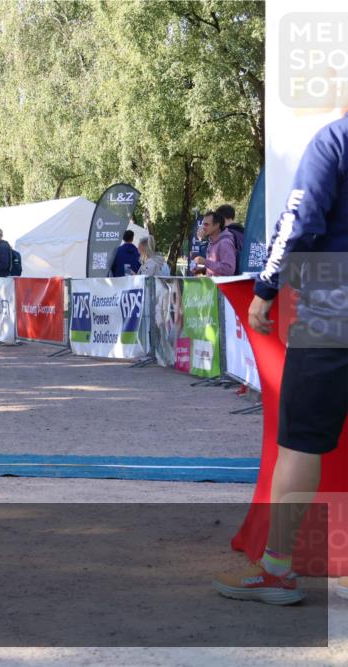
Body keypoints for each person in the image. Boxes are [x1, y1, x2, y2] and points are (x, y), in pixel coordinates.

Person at [213, 113, 348, 605]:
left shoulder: (335, 139)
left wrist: (266, 290)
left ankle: (277, 571)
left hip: (334, 313)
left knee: (298, 444)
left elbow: (298, 220)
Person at [193, 210, 237, 277]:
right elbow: (216, 267)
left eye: (206, 224)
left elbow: (228, 269)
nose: (203, 227)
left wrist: (205, 262)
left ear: (217, 225)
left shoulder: (225, 243)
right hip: (213, 286)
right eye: (203, 224)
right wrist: (202, 270)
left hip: (221, 287)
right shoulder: (212, 242)